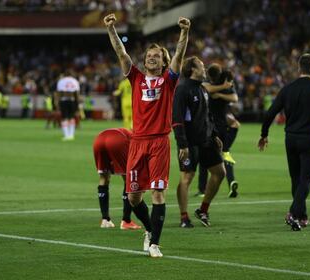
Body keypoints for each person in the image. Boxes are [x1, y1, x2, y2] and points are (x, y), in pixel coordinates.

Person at [104, 13, 190, 257]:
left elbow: (180, 55)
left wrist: (184, 32)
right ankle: (149, 230)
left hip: (159, 143)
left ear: (163, 62)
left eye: (156, 56)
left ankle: (155, 244)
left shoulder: (168, 80)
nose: (151, 58)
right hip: (137, 142)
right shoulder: (136, 78)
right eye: (148, 56)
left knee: (158, 193)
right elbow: (122, 54)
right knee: (132, 197)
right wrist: (111, 29)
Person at [258, 53, 310, 231]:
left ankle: (301, 216)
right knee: (306, 179)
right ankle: (293, 213)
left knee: (295, 179)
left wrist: (264, 134)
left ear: (299, 68)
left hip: (290, 139)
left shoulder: (287, 89)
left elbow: (270, 112)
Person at [172, 56, 226, 228]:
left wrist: (215, 134)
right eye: (201, 66)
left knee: (220, 172)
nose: (205, 68)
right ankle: (183, 217)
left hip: (206, 140)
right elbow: (177, 119)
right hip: (190, 142)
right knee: (187, 177)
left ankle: (203, 209)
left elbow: (208, 114)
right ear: (193, 70)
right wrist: (182, 144)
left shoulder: (202, 89)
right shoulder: (182, 89)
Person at [197, 64, 240, 198]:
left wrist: (219, 94)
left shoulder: (209, 86)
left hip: (210, 127)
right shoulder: (220, 86)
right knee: (225, 155)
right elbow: (234, 98)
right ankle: (231, 181)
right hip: (221, 127)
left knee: (205, 157)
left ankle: (202, 188)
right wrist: (224, 89)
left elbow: (233, 98)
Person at [93, 128, 141, 230]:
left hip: (99, 138)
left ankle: (105, 220)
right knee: (128, 178)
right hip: (117, 140)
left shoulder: (131, 132)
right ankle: (126, 221)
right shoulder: (139, 139)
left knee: (104, 177)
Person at [54, 73, 80, 141]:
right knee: (72, 117)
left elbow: (59, 93)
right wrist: (77, 104)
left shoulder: (61, 81)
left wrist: (57, 103)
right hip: (72, 100)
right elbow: (77, 93)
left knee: (64, 118)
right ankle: (71, 135)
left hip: (64, 100)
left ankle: (66, 135)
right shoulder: (75, 81)